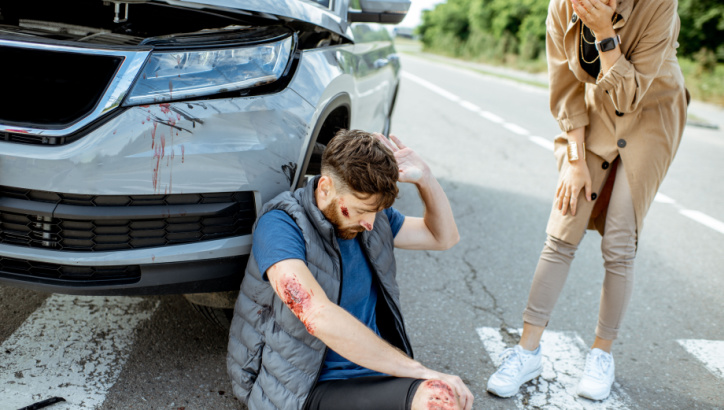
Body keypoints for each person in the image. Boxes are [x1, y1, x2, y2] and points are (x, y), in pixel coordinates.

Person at [486, 0, 688, 401]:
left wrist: (604, 33)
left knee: (618, 241)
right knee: (563, 228)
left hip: (651, 109)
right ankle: (527, 352)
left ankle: (601, 354)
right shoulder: (562, 5)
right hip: (592, 111)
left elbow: (630, 95)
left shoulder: (660, 4)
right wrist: (575, 160)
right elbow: (564, 87)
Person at [227, 129, 474, 410]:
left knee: (442, 398)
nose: (369, 222)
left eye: (375, 211)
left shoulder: (371, 217)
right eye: (358, 210)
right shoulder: (281, 225)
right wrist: (420, 370)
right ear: (325, 187)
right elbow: (316, 314)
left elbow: (442, 237)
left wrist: (425, 178)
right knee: (437, 394)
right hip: (303, 388)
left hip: (372, 374)